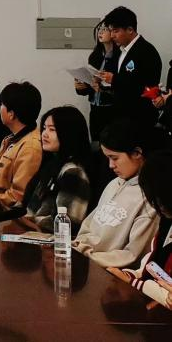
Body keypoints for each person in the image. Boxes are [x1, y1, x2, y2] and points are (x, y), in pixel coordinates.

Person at [73, 120, 158, 268]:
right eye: (108, 158)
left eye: (115, 158)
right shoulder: (114, 183)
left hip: (110, 272)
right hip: (84, 260)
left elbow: (133, 255)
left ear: (137, 153)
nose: (111, 165)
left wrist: (88, 256)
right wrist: (77, 248)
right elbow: (88, 226)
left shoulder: (150, 197)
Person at [108, 149, 172, 310]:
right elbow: (150, 266)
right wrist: (130, 275)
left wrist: (135, 282)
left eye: (160, 198)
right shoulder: (166, 222)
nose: (157, 205)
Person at [24, 106, 92, 233]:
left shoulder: (73, 172)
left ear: (69, 133)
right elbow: (29, 207)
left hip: (47, 238)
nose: (44, 134)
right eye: (44, 128)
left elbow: (66, 225)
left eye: (52, 129)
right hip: (29, 232)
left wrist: (27, 222)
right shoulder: (51, 164)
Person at [0, 81, 43, 208]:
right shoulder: (12, 140)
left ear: (11, 114)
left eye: (2, 104)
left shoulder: (31, 147)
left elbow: (17, 196)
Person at [94, 7, 162, 128]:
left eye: (115, 31)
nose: (112, 35)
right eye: (111, 31)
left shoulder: (146, 51)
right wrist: (104, 84)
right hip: (122, 116)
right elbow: (123, 82)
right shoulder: (122, 51)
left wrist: (114, 80)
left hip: (139, 118)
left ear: (130, 29)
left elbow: (147, 88)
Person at [74, 23, 119, 141]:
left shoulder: (119, 57)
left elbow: (121, 84)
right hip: (94, 107)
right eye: (99, 29)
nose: (100, 32)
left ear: (113, 32)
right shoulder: (95, 56)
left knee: (110, 142)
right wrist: (81, 86)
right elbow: (90, 83)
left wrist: (103, 85)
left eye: (105, 29)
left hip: (111, 109)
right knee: (95, 141)